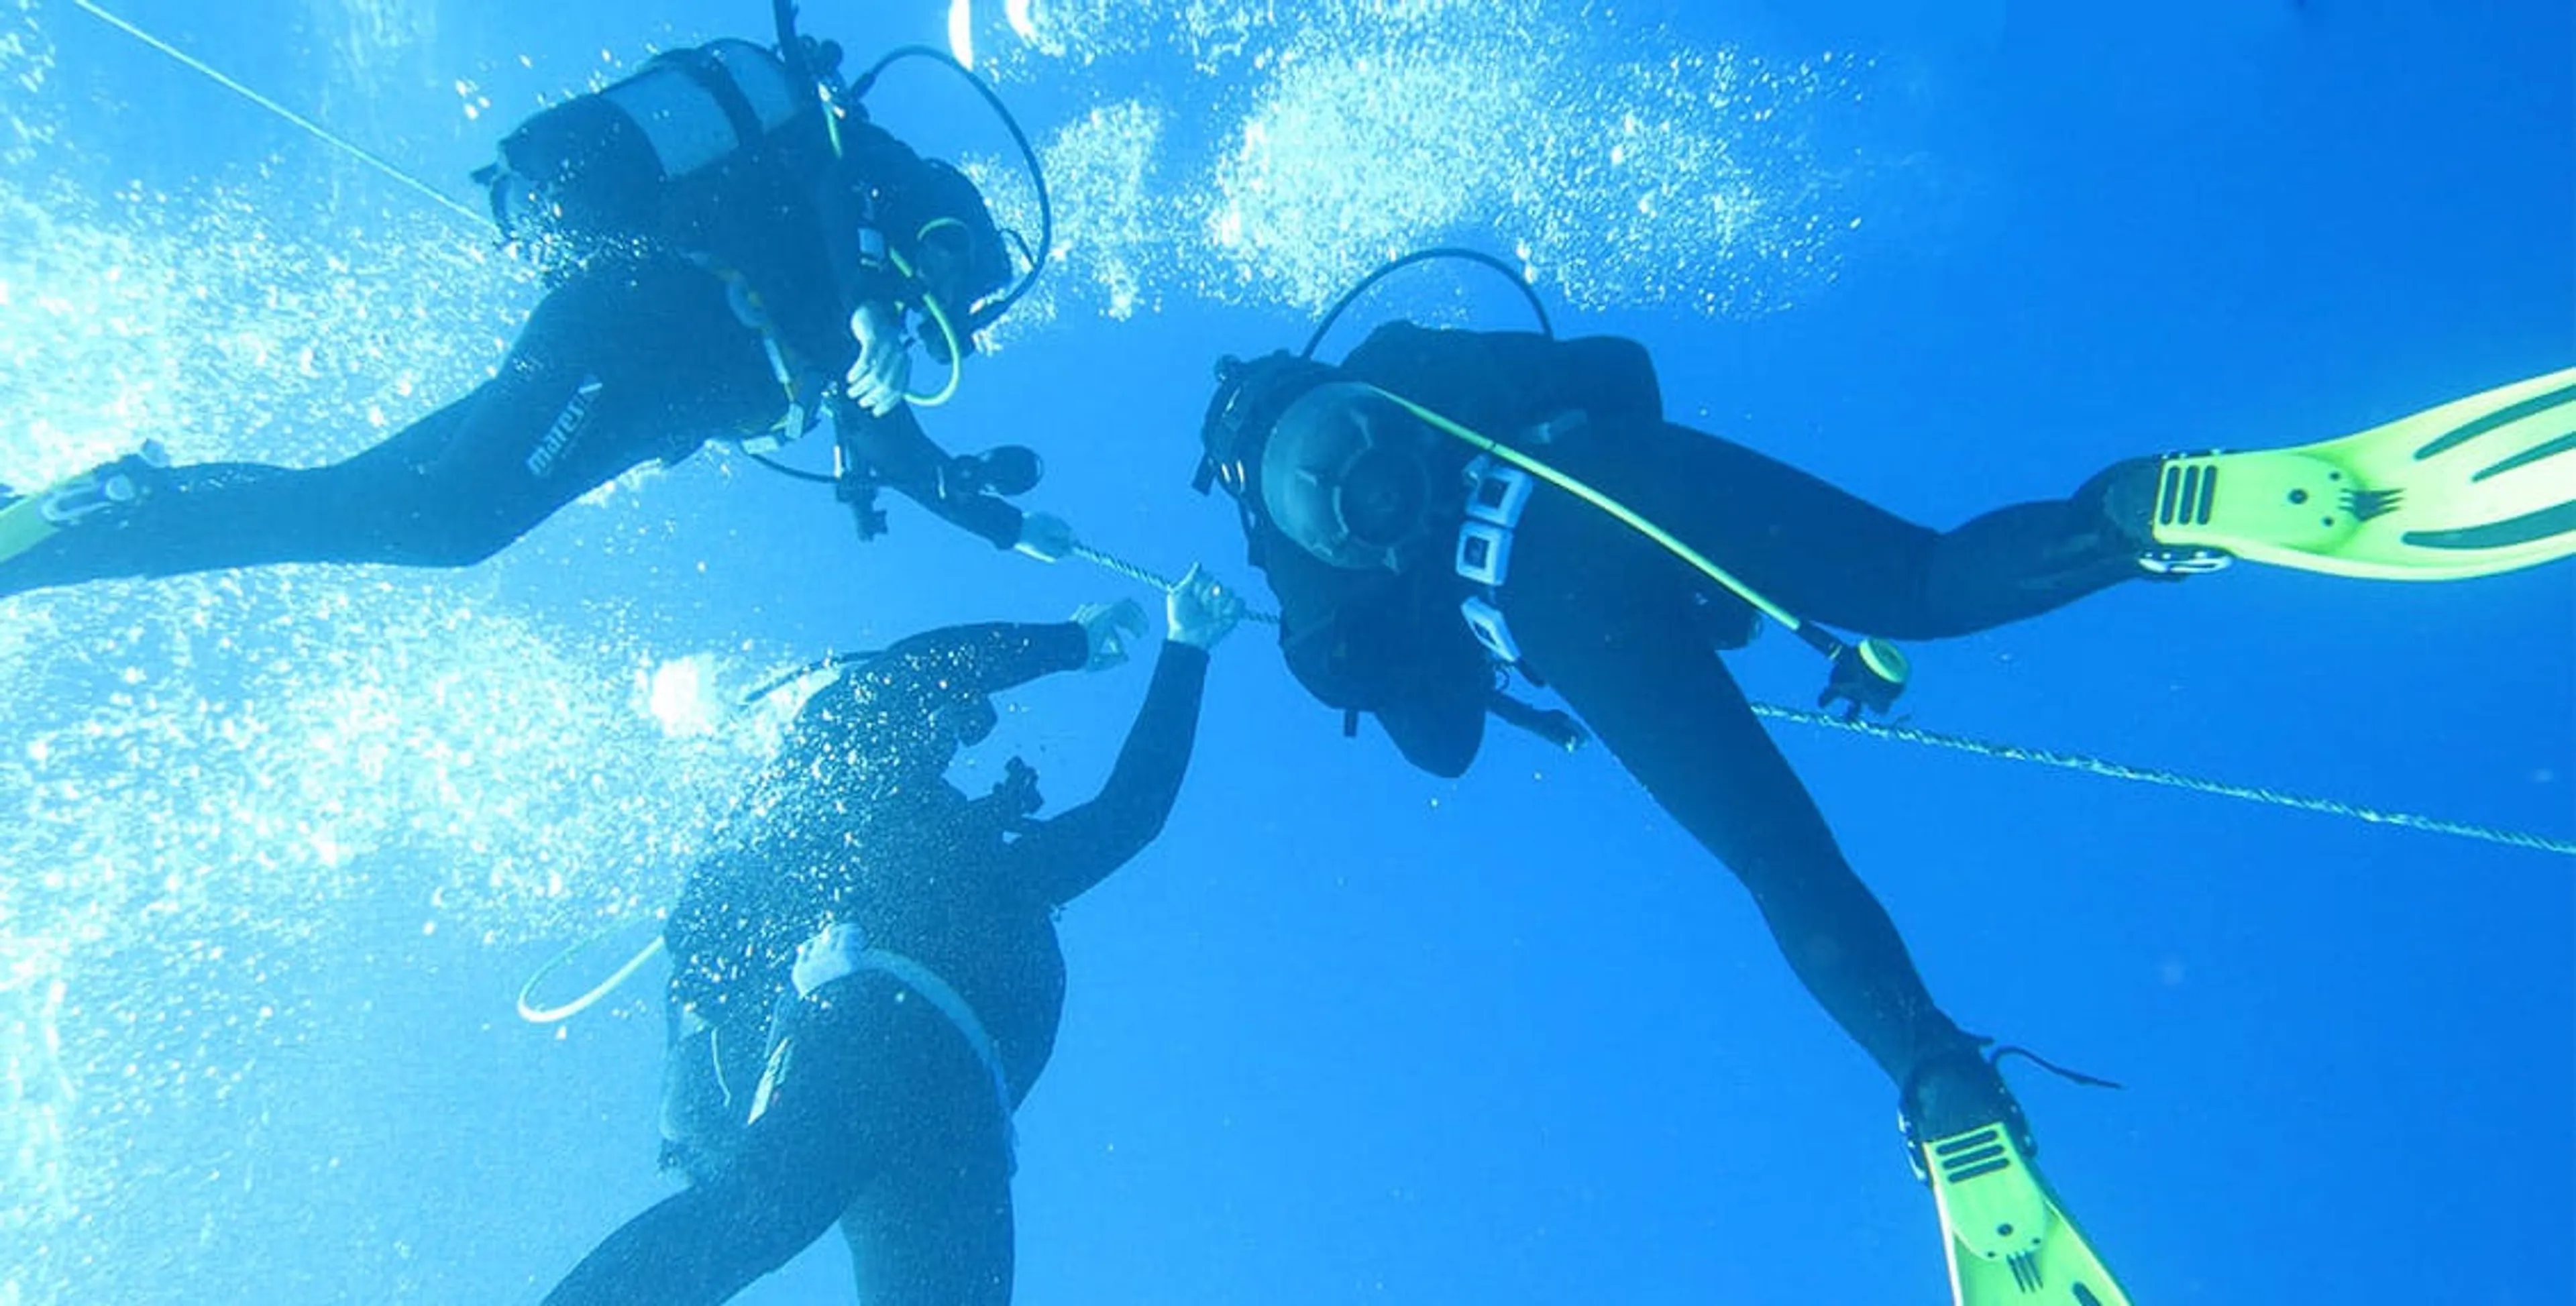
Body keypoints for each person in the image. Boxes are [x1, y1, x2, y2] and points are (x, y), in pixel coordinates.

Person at [1192, 307, 2575, 1305]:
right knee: (1923, 582)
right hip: (1624, 475)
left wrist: (1382, 634)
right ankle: (2148, 512)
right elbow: (1617, 370)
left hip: (1555, 609)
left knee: (1784, 861)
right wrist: (1707, 568)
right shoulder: (1407, 362)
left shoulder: (1301, 572)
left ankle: (1940, 1081)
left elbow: (1441, 746)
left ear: (1244, 478)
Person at [0, 21, 1072, 602]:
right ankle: (103, 519)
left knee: (369, 495)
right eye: (970, 295)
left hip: (641, 364)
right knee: (449, 523)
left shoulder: (864, 329)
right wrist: (889, 294)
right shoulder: (900, 203)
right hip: (642, 331)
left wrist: (996, 515)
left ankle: (109, 510)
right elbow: (889, 210)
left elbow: (886, 442)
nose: (964, 316)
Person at [542, 567, 1244, 1306]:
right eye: (946, 723)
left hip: (943, 1097)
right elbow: (920, 674)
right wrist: (1104, 643)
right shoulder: (833, 792)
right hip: (897, 1067)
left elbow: (1124, 816)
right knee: (760, 1211)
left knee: (763, 1217)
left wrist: (1176, 645)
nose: (952, 737)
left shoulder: (964, 856)